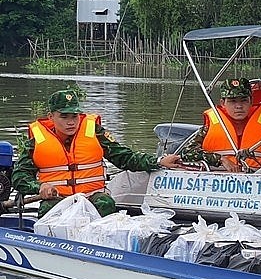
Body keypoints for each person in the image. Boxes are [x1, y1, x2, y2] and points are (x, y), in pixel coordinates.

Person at [12, 89, 182, 218]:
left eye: (75, 116)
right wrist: (39, 187)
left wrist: (159, 161)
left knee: (105, 203)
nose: (71, 122)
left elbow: (124, 157)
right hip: (58, 199)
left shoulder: (95, 132)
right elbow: (19, 176)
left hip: (92, 196)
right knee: (48, 209)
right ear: (51, 117)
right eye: (64, 117)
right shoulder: (36, 142)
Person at [182, 78, 261, 171]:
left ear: (251, 102)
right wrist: (220, 159)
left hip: (259, 181)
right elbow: (187, 152)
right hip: (219, 181)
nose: (239, 106)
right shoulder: (209, 127)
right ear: (223, 103)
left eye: (244, 100)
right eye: (233, 101)